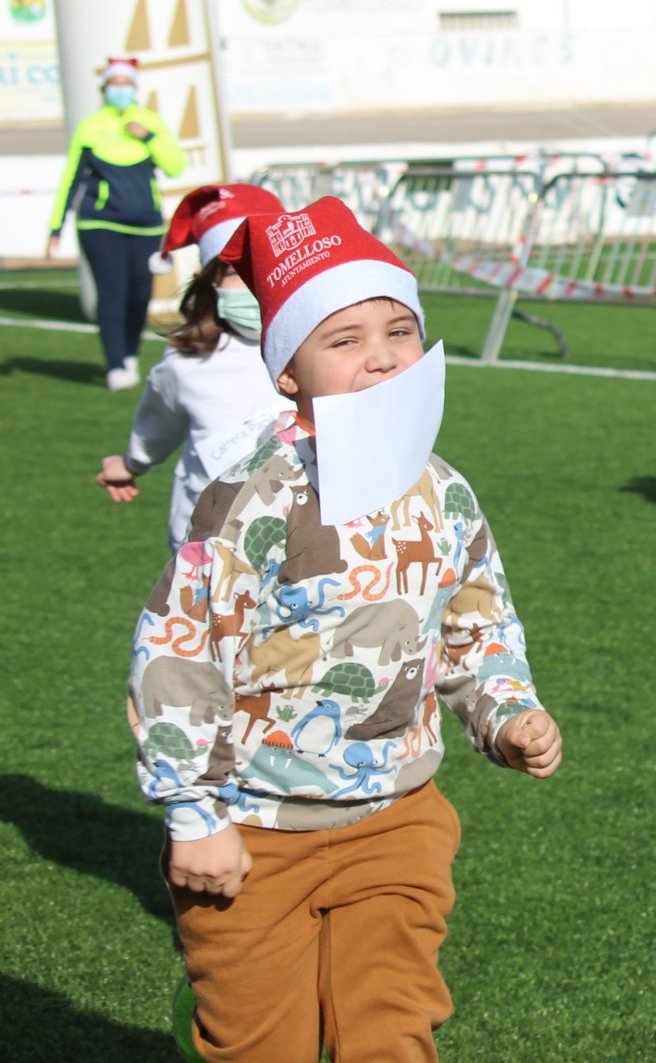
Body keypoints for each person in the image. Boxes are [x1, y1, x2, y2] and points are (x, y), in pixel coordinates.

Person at [130, 196, 562, 1062]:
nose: (380, 358)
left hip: (399, 820)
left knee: (392, 1034)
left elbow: (477, 619)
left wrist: (507, 710)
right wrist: (192, 813)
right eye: (344, 340)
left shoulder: (443, 489)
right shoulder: (250, 497)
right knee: (262, 1047)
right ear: (287, 370)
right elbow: (180, 650)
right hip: (255, 833)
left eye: (398, 331)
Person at [96, 184, 293, 552]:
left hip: (304, 542)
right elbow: (156, 424)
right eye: (235, 273)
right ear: (210, 284)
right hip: (208, 546)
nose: (251, 286)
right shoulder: (186, 364)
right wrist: (131, 464)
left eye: (261, 269)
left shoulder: (323, 347)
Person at [45, 56, 186, 389]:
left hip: (146, 224)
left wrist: (149, 137)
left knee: (139, 293)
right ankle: (114, 364)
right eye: (114, 84)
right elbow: (71, 180)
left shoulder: (150, 122)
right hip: (100, 223)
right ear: (104, 88)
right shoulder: (91, 126)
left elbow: (175, 166)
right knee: (112, 291)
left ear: (134, 88)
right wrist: (56, 227)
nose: (120, 90)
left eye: (126, 84)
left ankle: (130, 354)